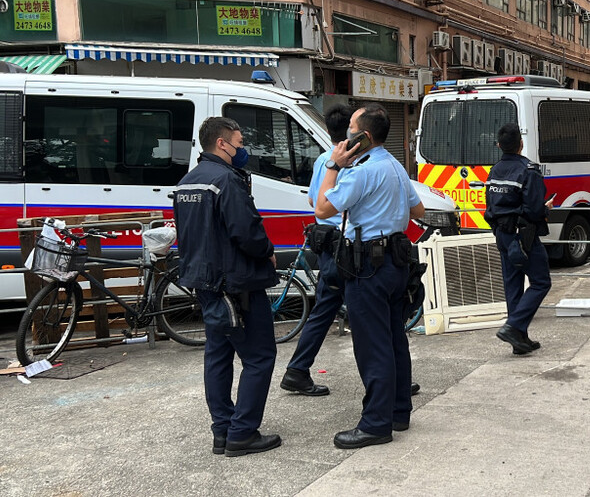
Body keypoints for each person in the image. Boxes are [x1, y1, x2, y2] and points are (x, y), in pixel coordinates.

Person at [315, 103, 426, 450]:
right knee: (394, 339)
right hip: (395, 262)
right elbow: (417, 209)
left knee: (372, 344)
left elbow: (322, 209)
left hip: (368, 266)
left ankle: (376, 423)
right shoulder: (394, 165)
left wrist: (333, 166)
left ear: (362, 135)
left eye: (350, 127)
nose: (345, 133)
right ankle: (397, 411)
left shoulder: (359, 171)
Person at [173, 117, 281, 457]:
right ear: (222, 144)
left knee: (218, 355)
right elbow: (247, 233)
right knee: (260, 356)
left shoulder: (187, 183)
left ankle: (223, 429)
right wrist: (268, 252)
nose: (242, 148)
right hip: (237, 284)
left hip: (204, 282)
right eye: (239, 141)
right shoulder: (227, 181)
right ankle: (242, 433)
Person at [278, 104, 353, 397]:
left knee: (325, 309)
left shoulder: (323, 160)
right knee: (368, 311)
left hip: (325, 242)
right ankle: (389, 377)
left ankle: (297, 370)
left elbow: (313, 201)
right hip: (344, 244)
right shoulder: (351, 163)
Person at [484, 123, 553, 355]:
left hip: (503, 234)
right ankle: (514, 327)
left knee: (513, 285)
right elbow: (533, 210)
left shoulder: (494, 172)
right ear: (521, 144)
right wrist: (545, 208)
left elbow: (489, 207)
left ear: (499, 146)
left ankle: (519, 341)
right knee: (541, 282)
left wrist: (499, 230)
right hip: (523, 234)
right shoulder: (529, 170)